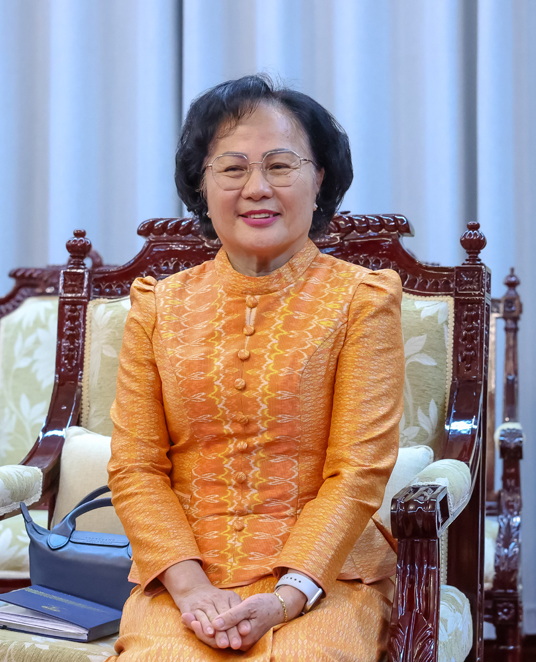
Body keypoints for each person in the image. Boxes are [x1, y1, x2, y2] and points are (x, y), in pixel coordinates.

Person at [107, 74, 404, 661]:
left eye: (281, 165)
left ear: (320, 179)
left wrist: (288, 595)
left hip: (328, 580)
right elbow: (135, 466)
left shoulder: (362, 300)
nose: (257, 188)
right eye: (232, 168)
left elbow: (358, 471)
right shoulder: (158, 306)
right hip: (183, 579)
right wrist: (191, 588)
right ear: (201, 186)